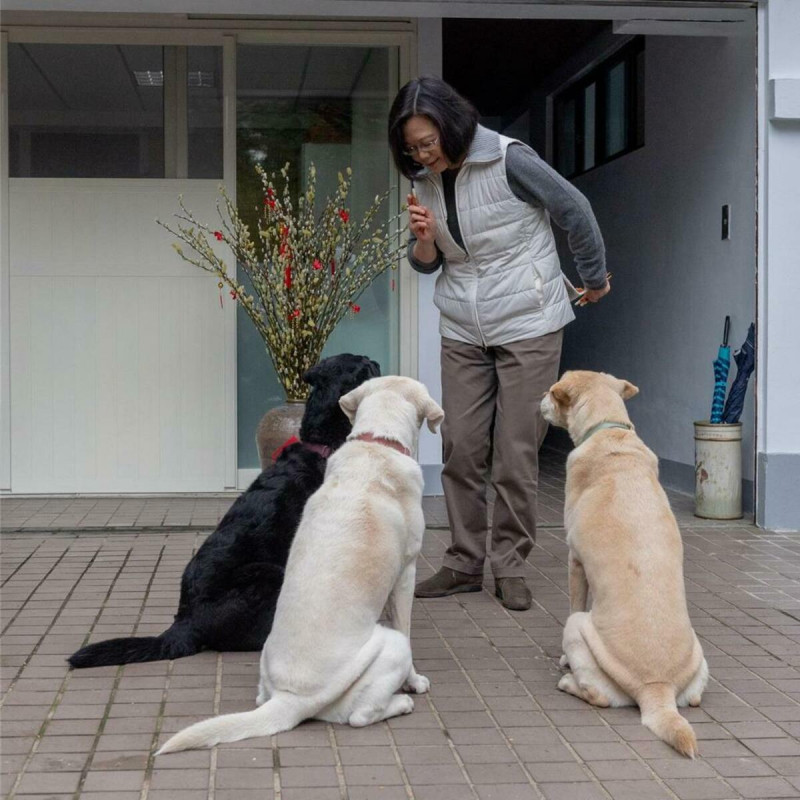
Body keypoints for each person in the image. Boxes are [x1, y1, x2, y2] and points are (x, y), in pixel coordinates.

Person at [388, 76, 610, 611]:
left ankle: (510, 563)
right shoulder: (426, 181)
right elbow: (429, 264)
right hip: (463, 324)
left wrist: (594, 277)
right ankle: (464, 561)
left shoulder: (510, 159)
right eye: (412, 148)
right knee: (460, 445)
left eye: (427, 143)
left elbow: (573, 208)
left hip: (529, 320)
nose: (421, 154)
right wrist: (421, 242)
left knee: (515, 450)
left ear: (451, 123)